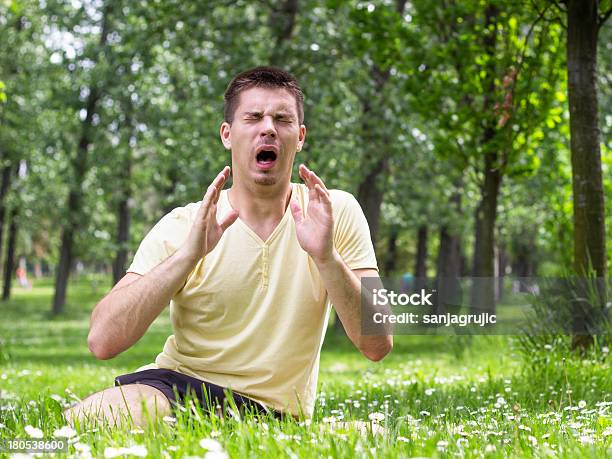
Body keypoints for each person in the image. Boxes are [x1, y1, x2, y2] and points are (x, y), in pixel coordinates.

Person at [65, 67, 392, 427]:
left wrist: (326, 257)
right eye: (253, 117)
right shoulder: (187, 223)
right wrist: (189, 255)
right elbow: (102, 340)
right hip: (177, 389)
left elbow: (378, 344)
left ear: (299, 137)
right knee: (89, 420)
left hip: (271, 415)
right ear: (227, 134)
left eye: (282, 119)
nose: (268, 128)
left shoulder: (333, 211)